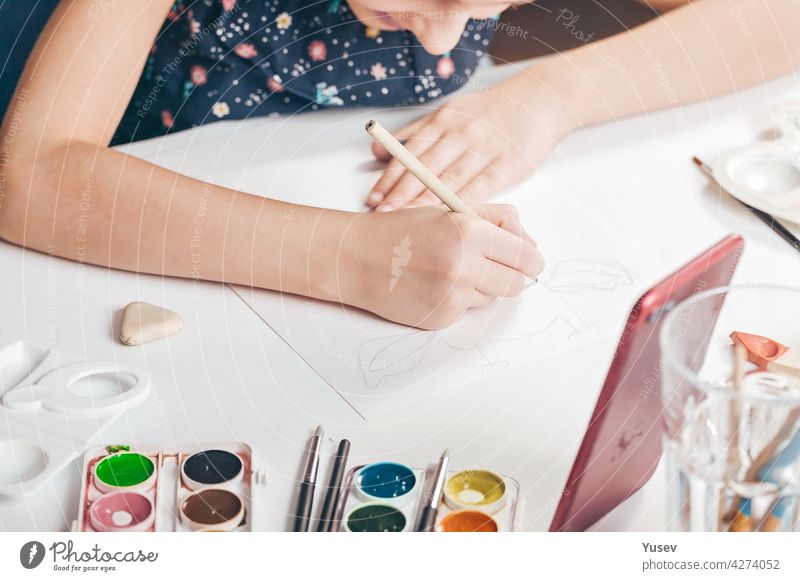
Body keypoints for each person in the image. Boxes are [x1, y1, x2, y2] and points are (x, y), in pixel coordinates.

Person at [0, 0, 796, 330]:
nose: (445, 42)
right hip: (107, 237)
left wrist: (554, 95)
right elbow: (31, 178)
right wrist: (340, 256)